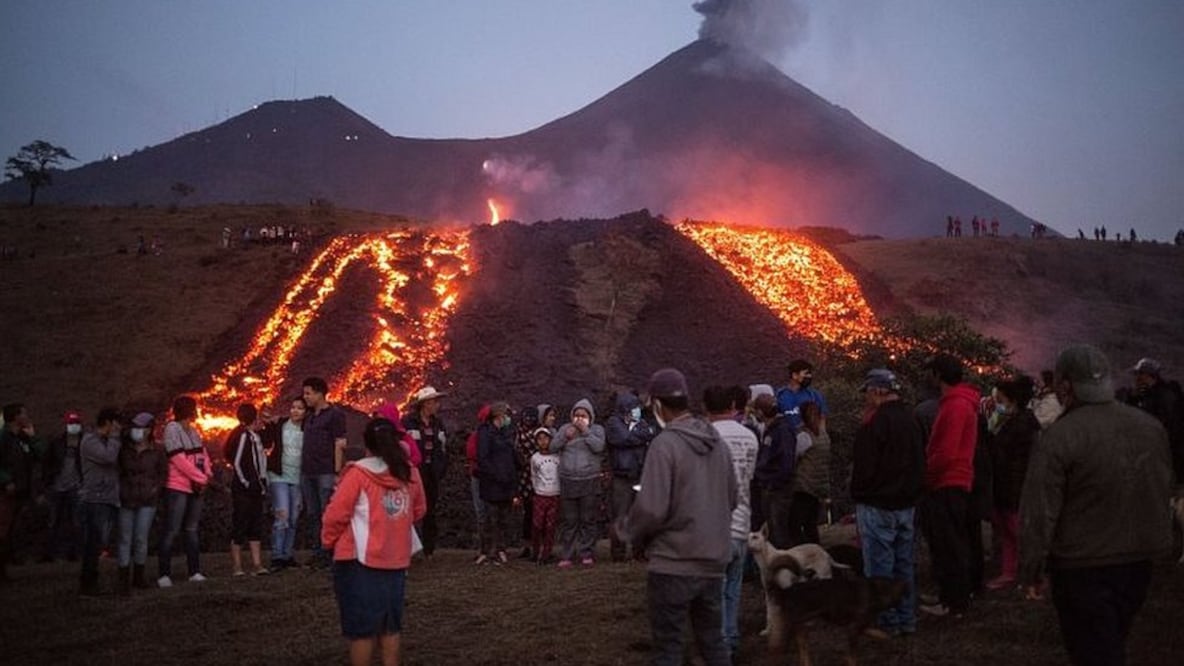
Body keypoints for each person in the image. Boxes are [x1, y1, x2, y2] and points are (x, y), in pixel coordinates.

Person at [1020, 345, 1172, 666]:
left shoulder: (1060, 437)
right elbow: (1160, 487)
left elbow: (1039, 511)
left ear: (1065, 386)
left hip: (1083, 565)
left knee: (1093, 651)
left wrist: (1032, 568)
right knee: (1112, 638)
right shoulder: (1150, 427)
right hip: (1140, 560)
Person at [614, 368, 736, 666]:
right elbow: (732, 498)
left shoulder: (665, 444)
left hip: (674, 563)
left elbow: (652, 508)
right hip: (713, 561)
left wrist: (626, 530)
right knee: (713, 642)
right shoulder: (716, 443)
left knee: (669, 648)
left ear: (656, 404)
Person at [323, 418, 426, 666]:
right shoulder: (409, 472)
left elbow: (335, 515)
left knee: (362, 630)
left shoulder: (358, 474)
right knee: (390, 627)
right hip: (396, 561)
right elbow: (419, 509)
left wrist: (328, 542)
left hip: (359, 561)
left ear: (366, 444)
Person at [851, 368, 924, 637]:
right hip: (906, 505)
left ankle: (887, 622)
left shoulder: (875, 423)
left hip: (878, 506)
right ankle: (907, 618)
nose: (866, 398)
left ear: (878, 391)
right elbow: (920, 462)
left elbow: (864, 467)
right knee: (904, 564)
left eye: (868, 393)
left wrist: (859, 494)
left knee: (880, 567)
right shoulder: (911, 419)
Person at [919, 354, 980, 618]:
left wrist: (927, 478)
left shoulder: (955, 406)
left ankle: (954, 603)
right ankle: (953, 598)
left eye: (930, 372)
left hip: (947, 482)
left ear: (938, 375)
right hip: (954, 480)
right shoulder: (959, 403)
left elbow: (946, 451)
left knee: (948, 545)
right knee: (952, 543)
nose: (927, 378)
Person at [705, 385, 758, 658]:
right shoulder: (750, 436)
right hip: (741, 522)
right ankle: (731, 638)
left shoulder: (706, 437)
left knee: (713, 592)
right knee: (733, 589)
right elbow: (750, 476)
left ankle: (719, 645)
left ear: (707, 409)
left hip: (713, 526)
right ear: (733, 406)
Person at [985, 377, 1039, 591]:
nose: (999, 403)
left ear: (1012, 400)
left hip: (1013, 489)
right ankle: (1010, 572)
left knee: (1017, 533)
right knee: (1008, 534)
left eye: (1001, 399)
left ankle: (1032, 576)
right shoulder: (1015, 421)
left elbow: (1008, 456)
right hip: (1006, 487)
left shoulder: (1022, 424)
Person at [158, 395, 212, 587]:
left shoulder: (193, 430)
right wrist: (200, 477)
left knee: (191, 529)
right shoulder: (172, 429)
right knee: (172, 529)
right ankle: (164, 573)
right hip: (178, 487)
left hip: (195, 488)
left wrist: (207, 471)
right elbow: (178, 459)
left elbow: (202, 453)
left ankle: (194, 571)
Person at [551, 398, 607, 567]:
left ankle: (586, 553)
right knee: (569, 521)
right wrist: (564, 437)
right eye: (577, 415)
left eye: (583, 415)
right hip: (568, 480)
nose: (579, 418)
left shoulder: (597, 430)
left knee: (588, 519)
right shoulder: (564, 429)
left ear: (590, 416)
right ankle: (567, 555)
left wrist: (585, 432)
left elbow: (599, 447)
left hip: (589, 480)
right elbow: (553, 447)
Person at [116, 412, 167, 593]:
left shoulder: (158, 450)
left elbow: (163, 474)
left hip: (147, 499)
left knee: (140, 538)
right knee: (124, 538)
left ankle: (138, 576)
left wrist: (155, 489)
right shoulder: (124, 449)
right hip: (126, 498)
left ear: (149, 430)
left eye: (141, 428)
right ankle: (123, 578)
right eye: (135, 427)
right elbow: (118, 470)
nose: (137, 431)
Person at [302, 376, 348, 569]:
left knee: (327, 513)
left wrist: (337, 471)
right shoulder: (311, 417)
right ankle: (318, 551)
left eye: (308, 393)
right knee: (313, 513)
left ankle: (330, 552)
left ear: (320, 393)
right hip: (308, 472)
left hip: (325, 471)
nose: (305, 397)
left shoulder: (334, 415)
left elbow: (340, 443)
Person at [605, 391, 655, 562]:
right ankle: (618, 552)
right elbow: (621, 438)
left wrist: (636, 437)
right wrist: (640, 438)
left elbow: (650, 433)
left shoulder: (641, 423)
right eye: (634, 407)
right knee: (620, 515)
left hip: (639, 474)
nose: (637, 410)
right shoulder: (613, 422)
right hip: (621, 475)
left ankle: (639, 551)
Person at [78, 407, 122, 596]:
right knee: (94, 543)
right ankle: (88, 585)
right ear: (109, 422)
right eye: (116, 423)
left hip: (109, 497)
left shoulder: (106, 441)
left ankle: (94, 581)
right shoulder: (90, 441)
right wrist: (114, 438)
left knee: (100, 542)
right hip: (95, 498)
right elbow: (108, 457)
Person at [402, 386, 448, 558]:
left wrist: (441, 468)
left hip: (432, 473)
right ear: (425, 404)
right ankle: (408, 547)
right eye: (435, 402)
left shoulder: (438, 424)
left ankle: (428, 549)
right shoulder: (408, 422)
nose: (438, 405)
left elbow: (443, 448)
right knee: (408, 510)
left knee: (430, 509)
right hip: (414, 473)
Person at [1, 403, 45, 582]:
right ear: (15, 417)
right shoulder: (4, 438)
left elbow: (41, 455)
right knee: (2, 529)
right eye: (24, 413)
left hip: (21, 491)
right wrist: (6, 480)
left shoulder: (22, 438)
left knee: (12, 530)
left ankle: (5, 566)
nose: (27, 416)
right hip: (6, 492)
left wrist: (33, 438)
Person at [263, 397, 307, 571]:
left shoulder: (308, 430)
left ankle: (288, 555)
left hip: (297, 478)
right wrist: (267, 421)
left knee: (294, 518)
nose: (295, 411)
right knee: (282, 515)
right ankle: (277, 557)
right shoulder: (281, 424)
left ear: (305, 412)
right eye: (293, 407)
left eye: (300, 408)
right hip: (279, 476)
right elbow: (267, 437)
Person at [1126, 357, 1184, 484]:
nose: (1136, 379)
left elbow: (1170, 430)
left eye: (1139, 375)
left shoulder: (1164, 397)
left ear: (1149, 376)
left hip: (1163, 457)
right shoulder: (1146, 395)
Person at [226, 403, 269, 577]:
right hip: (245, 488)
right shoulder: (242, 434)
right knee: (241, 523)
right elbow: (236, 461)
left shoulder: (254, 435)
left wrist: (262, 482)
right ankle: (237, 566)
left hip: (256, 487)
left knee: (255, 524)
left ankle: (257, 564)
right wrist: (245, 482)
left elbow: (260, 460)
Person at [475, 402, 518, 565]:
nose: (508, 418)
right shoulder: (485, 433)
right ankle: (488, 552)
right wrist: (497, 475)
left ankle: (501, 550)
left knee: (503, 520)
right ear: (498, 416)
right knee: (490, 519)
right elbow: (483, 458)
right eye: (506, 415)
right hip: (492, 484)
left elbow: (511, 456)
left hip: (506, 484)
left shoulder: (506, 433)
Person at [750, 394, 796, 549]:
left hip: (778, 490)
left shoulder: (782, 430)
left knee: (779, 532)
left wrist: (773, 481)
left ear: (760, 412)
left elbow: (786, 462)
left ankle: (785, 568)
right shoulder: (771, 429)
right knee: (771, 530)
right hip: (769, 487)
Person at [41, 411, 84, 563]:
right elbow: (47, 464)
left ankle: (73, 553)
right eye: (71, 423)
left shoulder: (84, 442)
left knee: (76, 521)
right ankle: (49, 554)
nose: (74, 426)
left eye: (76, 423)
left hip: (76, 487)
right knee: (54, 521)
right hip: (57, 487)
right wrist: (47, 484)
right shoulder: (56, 442)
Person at [787, 401, 830, 546]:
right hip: (819, 485)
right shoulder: (824, 435)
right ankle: (816, 552)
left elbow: (793, 457)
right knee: (811, 524)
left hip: (804, 485)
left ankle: (804, 553)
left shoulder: (804, 436)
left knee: (794, 524)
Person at [529, 427, 561, 565]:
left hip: (555, 494)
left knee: (550, 526)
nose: (543, 442)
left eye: (545, 438)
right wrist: (537, 490)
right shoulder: (535, 458)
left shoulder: (557, 456)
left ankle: (546, 554)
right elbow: (534, 475)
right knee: (537, 525)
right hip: (540, 495)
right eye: (540, 439)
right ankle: (535, 551)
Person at [775, 359, 828, 433]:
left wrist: (821, 436)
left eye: (810, 374)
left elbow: (822, 418)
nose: (809, 376)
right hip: (787, 439)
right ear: (795, 375)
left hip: (809, 440)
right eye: (806, 373)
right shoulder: (780, 395)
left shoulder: (814, 395)